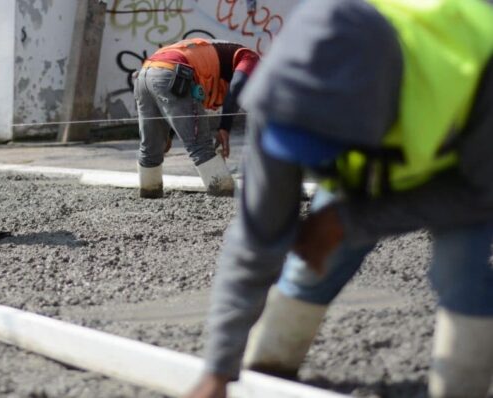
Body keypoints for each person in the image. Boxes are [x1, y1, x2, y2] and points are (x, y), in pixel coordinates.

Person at [188, 0, 493, 397]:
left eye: (320, 147)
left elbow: (480, 195)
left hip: (463, 167)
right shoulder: (285, 92)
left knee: (460, 274)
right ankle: (268, 370)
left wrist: (349, 220)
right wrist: (217, 370)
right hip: (368, 151)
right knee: (312, 262)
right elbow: (256, 236)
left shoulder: (476, 58)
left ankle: (460, 388)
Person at [134, 38, 259, 198]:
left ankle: (149, 193)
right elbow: (236, 87)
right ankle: (222, 193)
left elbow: (175, 106)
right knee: (201, 145)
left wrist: (168, 134)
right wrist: (224, 128)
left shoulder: (215, 52)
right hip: (173, 73)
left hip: (145, 74)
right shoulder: (251, 58)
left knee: (151, 148)